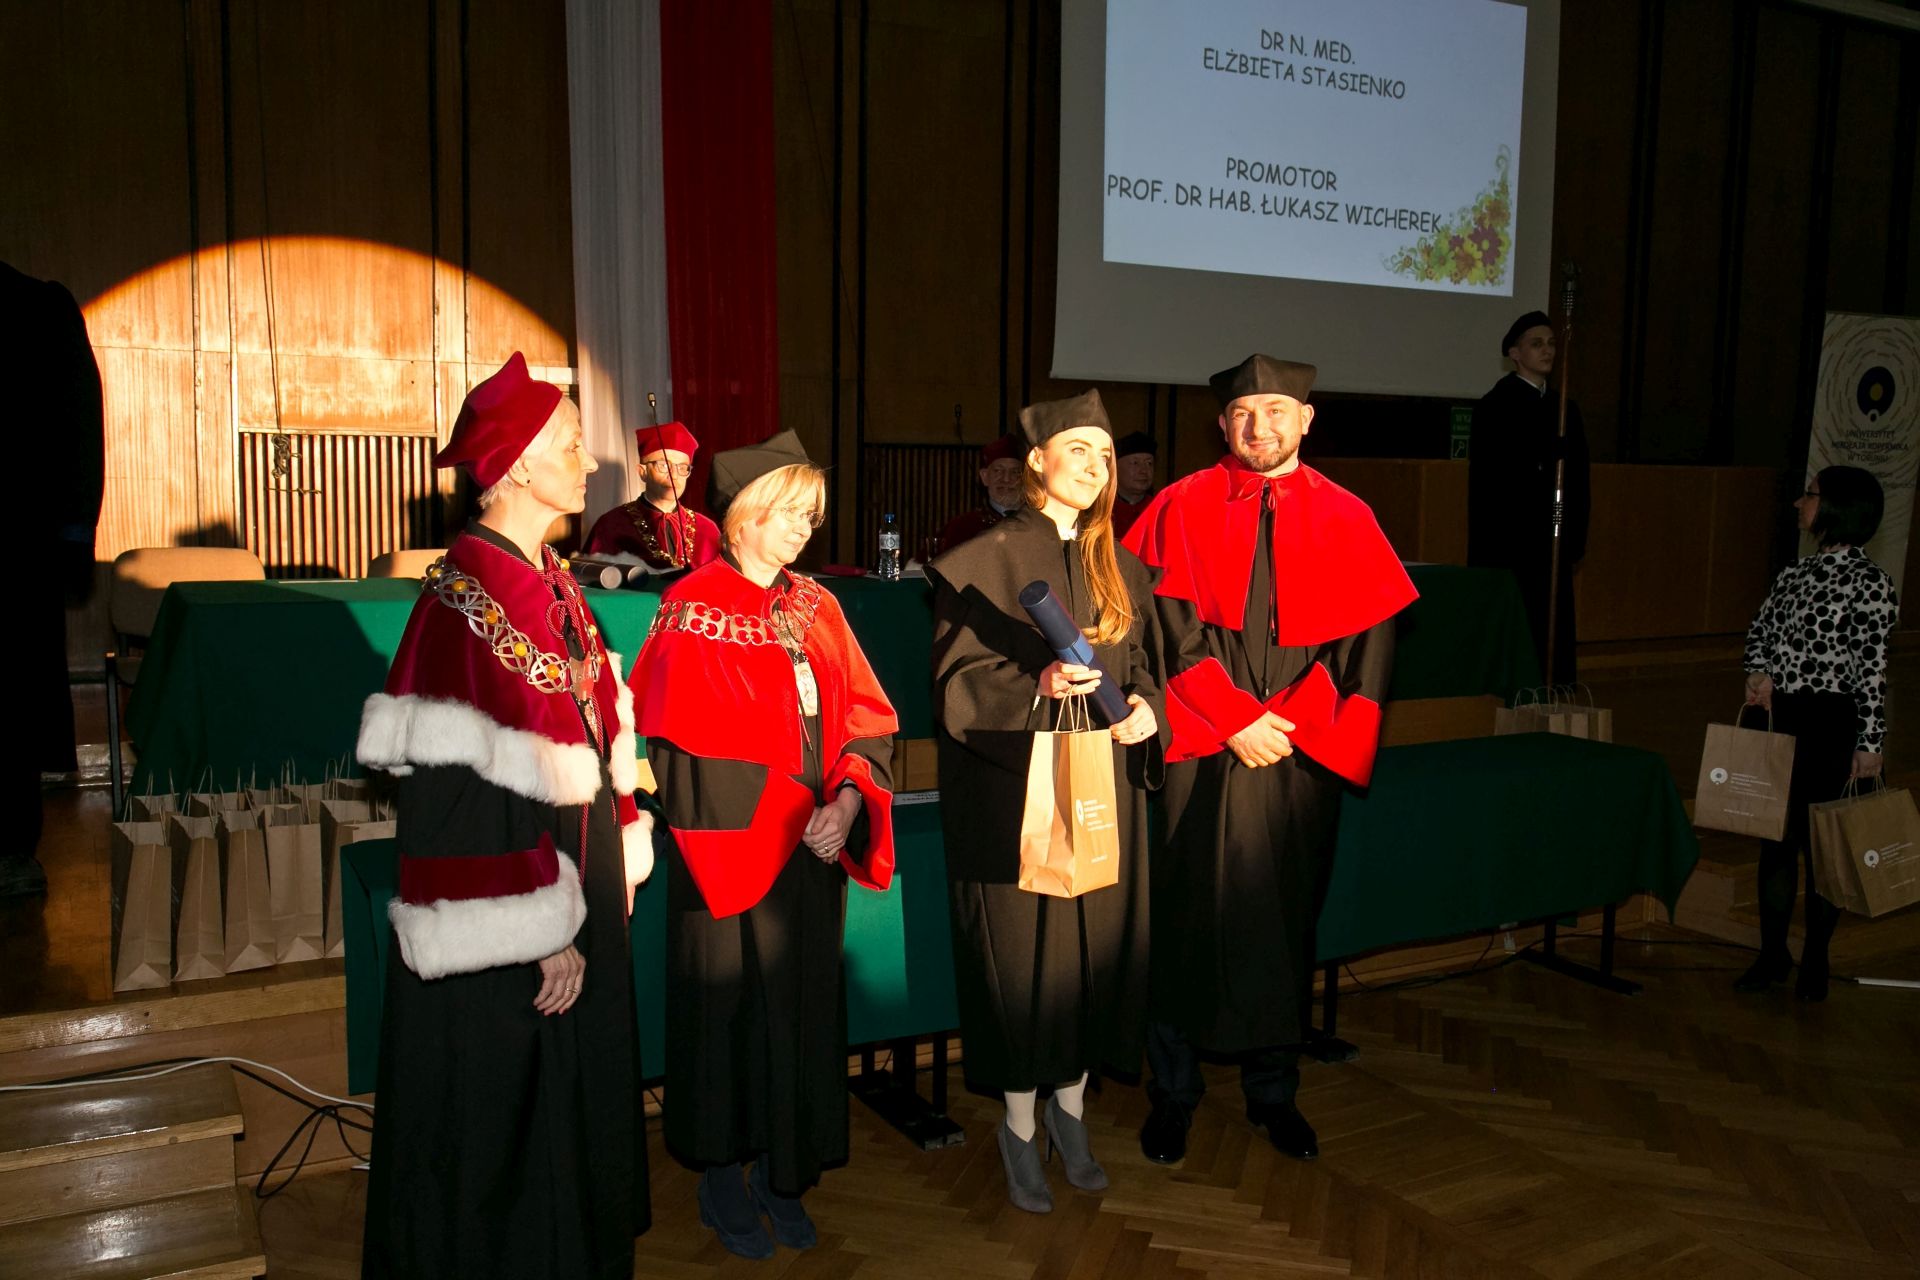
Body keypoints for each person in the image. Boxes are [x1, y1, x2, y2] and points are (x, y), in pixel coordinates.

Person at [355, 352, 655, 1280]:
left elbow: (599, 731)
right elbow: (453, 801)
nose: (589, 461)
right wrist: (539, 928)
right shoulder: (463, 597)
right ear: (518, 464)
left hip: (577, 879)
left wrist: (621, 846)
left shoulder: (553, 578)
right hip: (515, 907)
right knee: (504, 1136)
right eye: (570, 443)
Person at [1124, 355, 1417, 1166]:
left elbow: (1367, 644)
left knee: (1284, 917)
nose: (1260, 426)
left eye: (1277, 410)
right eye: (1245, 413)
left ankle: (1274, 1093)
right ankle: (1173, 1094)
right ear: (1223, 424)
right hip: (1203, 746)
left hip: (1298, 751)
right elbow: (1164, 630)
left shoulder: (1349, 516)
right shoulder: (1179, 505)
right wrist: (1234, 721)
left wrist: (1287, 723)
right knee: (1184, 915)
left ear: (1306, 420)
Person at [629, 433, 898, 1259]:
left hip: (810, 855)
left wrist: (847, 800)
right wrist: (791, 813)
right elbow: (681, 753)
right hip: (727, 854)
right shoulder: (691, 607)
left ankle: (785, 1175)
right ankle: (721, 1178)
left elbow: (865, 716)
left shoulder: (817, 605)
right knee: (727, 1016)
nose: (803, 530)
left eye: (810, 517)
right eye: (789, 514)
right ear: (743, 515)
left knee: (801, 1012)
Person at [929, 389, 1165, 1214]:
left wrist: (1147, 709)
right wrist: (1038, 684)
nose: (1097, 466)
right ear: (1037, 461)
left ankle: (1073, 1113)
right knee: (1030, 965)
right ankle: (1021, 1126)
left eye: (1106, 455)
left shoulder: (1120, 563)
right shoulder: (986, 556)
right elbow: (957, 685)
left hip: (1104, 792)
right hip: (1016, 795)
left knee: (1093, 958)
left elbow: (1143, 668)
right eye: (1079, 451)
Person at [1738, 465, 1896, 1002]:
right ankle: (1772, 954)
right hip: (1780, 718)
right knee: (1775, 843)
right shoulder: (1794, 573)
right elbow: (1759, 632)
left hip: (1830, 723)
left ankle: (1816, 959)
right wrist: (1758, 672)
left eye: (1810, 495)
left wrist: (1870, 744)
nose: (1799, 503)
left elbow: (1871, 672)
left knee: (1823, 849)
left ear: (1837, 508)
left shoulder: (1871, 583)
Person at [4, 263, 103, 899]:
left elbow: (77, 420)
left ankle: (10, 845)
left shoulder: (34, 307)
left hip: (15, 539)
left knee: (10, 696)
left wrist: (72, 532)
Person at [1468, 309, 1590, 685]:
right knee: (1518, 625)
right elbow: (1494, 481)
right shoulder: (1496, 407)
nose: (1547, 350)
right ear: (1515, 354)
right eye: (1537, 344)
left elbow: (1580, 480)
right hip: (1512, 543)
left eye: (1551, 343)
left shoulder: (1564, 408)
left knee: (1552, 625)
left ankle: (1553, 690)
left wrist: (1574, 536)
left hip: (1553, 539)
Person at [581, 418, 721, 570]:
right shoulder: (611, 525)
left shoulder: (707, 529)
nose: (674, 475)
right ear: (643, 472)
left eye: (682, 467)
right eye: (664, 465)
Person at [936, 434, 1026, 552]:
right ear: (984, 477)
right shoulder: (962, 527)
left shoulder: (1038, 525)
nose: (1006, 479)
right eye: (998, 471)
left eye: (1015, 472)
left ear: (1027, 479)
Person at [1111, 431, 1157, 539]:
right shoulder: (1102, 511)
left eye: (1149, 463)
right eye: (1135, 463)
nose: (1144, 471)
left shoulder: (1159, 509)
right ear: (1115, 468)